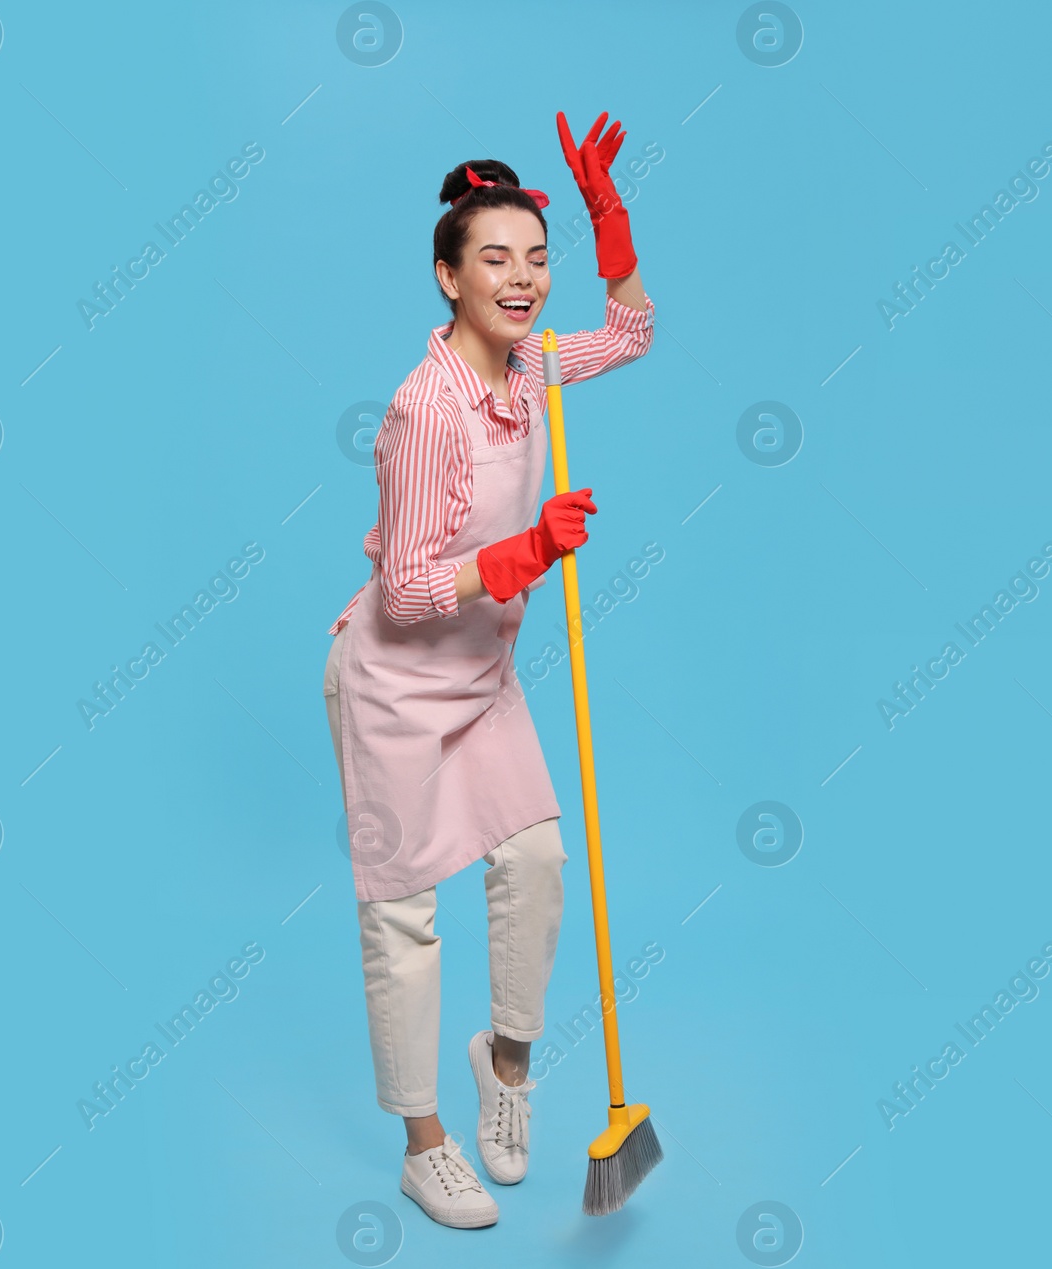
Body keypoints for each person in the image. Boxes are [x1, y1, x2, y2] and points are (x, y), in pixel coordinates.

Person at [321, 111, 655, 1229]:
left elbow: (632, 334)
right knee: (405, 917)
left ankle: (503, 1069)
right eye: (494, 261)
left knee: (540, 864)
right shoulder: (426, 413)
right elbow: (410, 590)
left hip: (482, 680)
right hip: (395, 691)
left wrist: (608, 215)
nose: (521, 280)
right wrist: (525, 552)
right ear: (445, 276)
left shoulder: (528, 365)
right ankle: (424, 1142)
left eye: (535, 258)